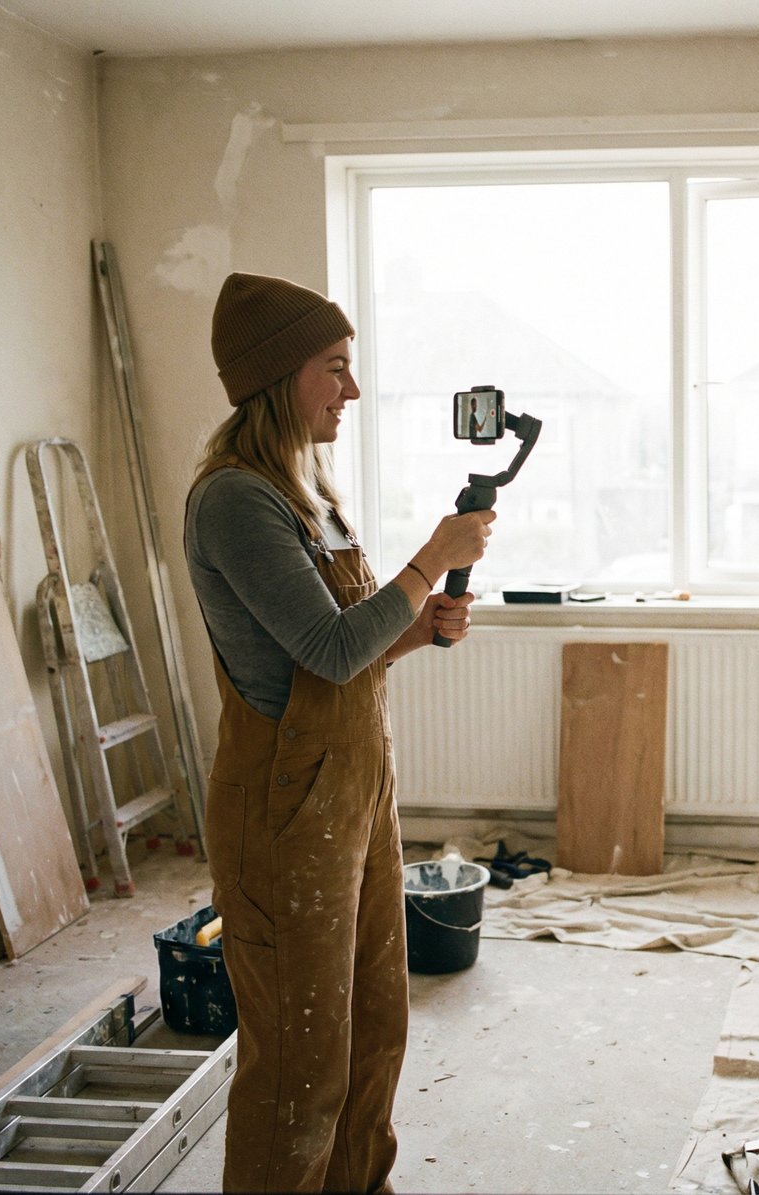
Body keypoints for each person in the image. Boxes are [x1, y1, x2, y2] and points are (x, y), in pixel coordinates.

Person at [184, 271, 495, 1191]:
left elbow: (341, 650)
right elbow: (326, 648)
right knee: (299, 1059)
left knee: (371, 1027)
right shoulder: (236, 499)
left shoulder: (307, 489)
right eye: (334, 367)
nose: (351, 389)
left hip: (352, 792)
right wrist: (430, 558)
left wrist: (416, 629)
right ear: (278, 376)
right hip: (284, 808)